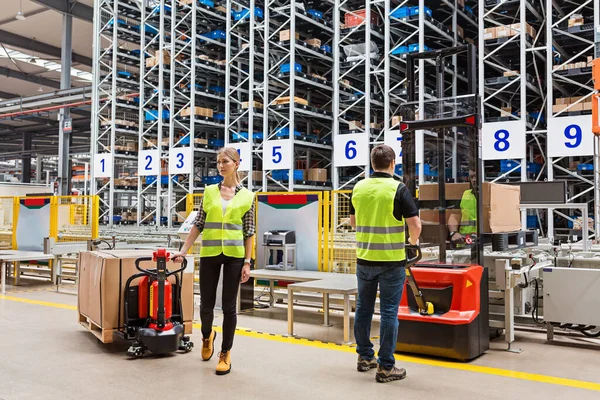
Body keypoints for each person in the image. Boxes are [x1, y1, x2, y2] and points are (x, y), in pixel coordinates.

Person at [172, 147, 255, 376]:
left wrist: (247, 262)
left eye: (225, 161)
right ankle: (207, 336)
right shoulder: (208, 192)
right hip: (209, 253)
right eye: (218, 162)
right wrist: (183, 250)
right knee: (206, 304)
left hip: (234, 256)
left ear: (236, 164)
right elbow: (198, 223)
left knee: (229, 306)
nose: (220, 166)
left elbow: (249, 232)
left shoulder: (248, 196)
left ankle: (225, 353)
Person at [349, 144, 422, 383]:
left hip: (364, 259)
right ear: (392, 163)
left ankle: (364, 357)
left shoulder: (358, 188)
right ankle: (386, 366)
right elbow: (415, 225)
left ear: (372, 164)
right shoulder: (398, 189)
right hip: (391, 261)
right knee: (389, 312)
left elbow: (353, 222)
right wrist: (412, 242)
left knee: (363, 308)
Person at [447, 170, 477, 247]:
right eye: (472, 177)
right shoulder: (465, 195)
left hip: (487, 242)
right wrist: (453, 233)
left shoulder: (491, 195)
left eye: (476, 176)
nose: (474, 180)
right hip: (465, 241)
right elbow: (454, 217)